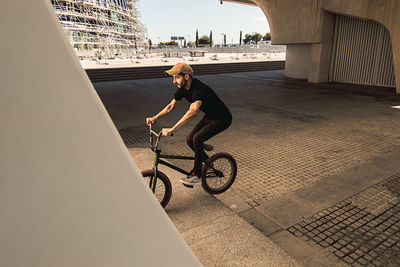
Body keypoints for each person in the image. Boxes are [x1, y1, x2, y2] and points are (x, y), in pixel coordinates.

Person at [146, 62, 232, 186]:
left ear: (186, 76)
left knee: (197, 138)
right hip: (210, 116)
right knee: (189, 140)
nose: (174, 81)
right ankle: (206, 159)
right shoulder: (182, 89)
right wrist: (155, 117)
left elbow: (192, 112)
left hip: (222, 119)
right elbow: (171, 106)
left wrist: (173, 129)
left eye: (177, 77)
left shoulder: (199, 89)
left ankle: (196, 174)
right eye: (173, 78)